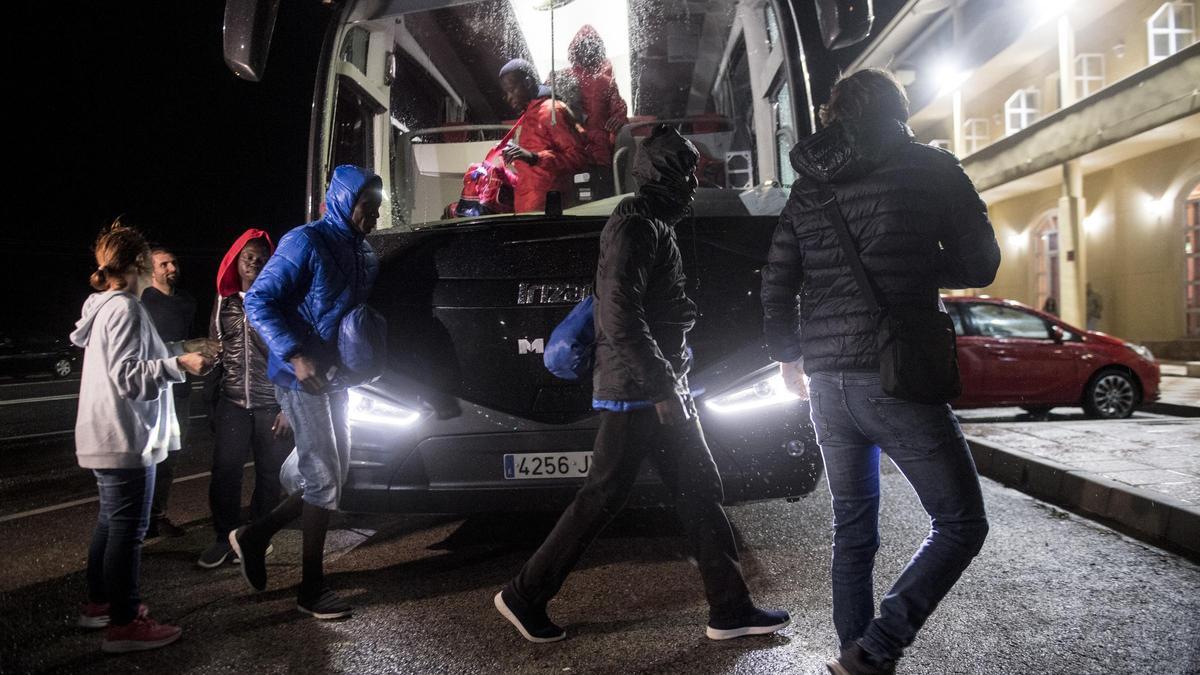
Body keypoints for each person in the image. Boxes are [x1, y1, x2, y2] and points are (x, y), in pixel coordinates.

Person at [495, 125, 790, 644]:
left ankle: (730, 608)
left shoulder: (653, 223)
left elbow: (647, 308)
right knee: (602, 497)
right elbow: (620, 315)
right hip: (638, 392)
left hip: (654, 384)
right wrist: (661, 387)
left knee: (698, 491)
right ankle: (523, 594)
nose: (696, 183)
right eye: (688, 171)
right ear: (666, 173)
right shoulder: (636, 224)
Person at [760, 69, 1000, 675]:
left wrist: (789, 356)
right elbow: (981, 263)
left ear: (836, 113)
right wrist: (917, 264)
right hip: (895, 373)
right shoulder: (932, 167)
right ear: (899, 107)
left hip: (826, 380)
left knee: (854, 530)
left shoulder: (809, 183)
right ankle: (875, 649)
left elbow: (777, 279)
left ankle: (857, 659)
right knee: (961, 521)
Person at [229, 165, 381, 620]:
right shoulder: (305, 241)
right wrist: (295, 354)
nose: (372, 216)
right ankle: (310, 589)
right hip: (301, 376)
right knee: (323, 479)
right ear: (341, 200)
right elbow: (258, 300)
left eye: (377, 209)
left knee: (333, 476)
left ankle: (254, 535)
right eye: (365, 207)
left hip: (336, 378)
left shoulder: (366, 253)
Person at [71, 221, 216, 652]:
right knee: (128, 531)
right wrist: (181, 366)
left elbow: (128, 362)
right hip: (123, 435)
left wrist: (176, 354)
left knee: (111, 524)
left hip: (107, 433)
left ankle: (100, 604)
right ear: (139, 264)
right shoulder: (126, 309)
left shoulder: (104, 307)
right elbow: (128, 377)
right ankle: (125, 622)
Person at [196, 230, 292, 569]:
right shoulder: (225, 302)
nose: (252, 260)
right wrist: (210, 400)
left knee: (270, 474)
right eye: (246, 255)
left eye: (260, 256)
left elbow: (291, 352)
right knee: (225, 473)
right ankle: (224, 537)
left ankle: (257, 535)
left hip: (272, 404)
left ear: (270, 262)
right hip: (233, 402)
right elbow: (215, 351)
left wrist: (288, 406)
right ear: (235, 261)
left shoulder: (280, 300)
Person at [140, 246, 198, 538]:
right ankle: (140, 518)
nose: (171, 267)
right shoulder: (141, 301)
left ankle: (157, 515)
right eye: (164, 264)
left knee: (171, 455)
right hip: (153, 386)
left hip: (180, 387)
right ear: (151, 269)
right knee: (148, 453)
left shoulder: (187, 302)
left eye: (174, 261)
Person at [498, 59, 589, 213]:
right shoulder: (529, 113)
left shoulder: (551, 111)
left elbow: (578, 157)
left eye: (511, 89)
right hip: (529, 208)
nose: (508, 97)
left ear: (527, 83)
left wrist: (535, 158)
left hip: (548, 211)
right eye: (505, 93)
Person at [561, 25, 629, 199]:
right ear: (576, 50)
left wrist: (619, 118)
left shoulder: (606, 81)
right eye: (583, 47)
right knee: (576, 198)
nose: (587, 52)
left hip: (598, 152)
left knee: (599, 196)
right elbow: (547, 105)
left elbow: (618, 108)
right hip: (572, 149)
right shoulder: (563, 77)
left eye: (591, 47)